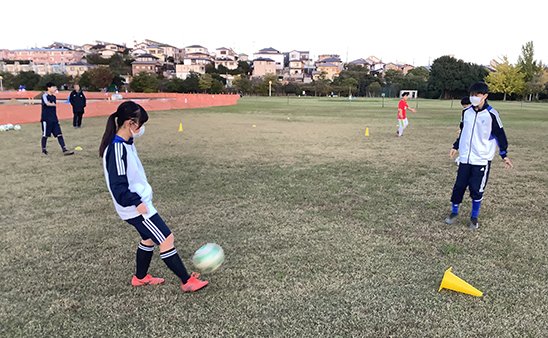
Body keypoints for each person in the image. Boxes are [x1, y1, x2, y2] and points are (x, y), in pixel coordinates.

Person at [99, 101, 208, 292]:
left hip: (138, 203)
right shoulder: (116, 149)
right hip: (136, 207)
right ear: (130, 123)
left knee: (148, 239)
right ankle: (186, 281)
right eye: (141, 124)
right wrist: (136, 202)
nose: (142, 129)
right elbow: (117, 186)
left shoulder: (125, 144)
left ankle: (140, 277)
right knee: (166, 239)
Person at [445, 82, 513, 230]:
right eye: (471, 95)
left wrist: (504, 154)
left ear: (485, 96)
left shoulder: (492, 114)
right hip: (465, 158)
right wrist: (456, 146)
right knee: (459, 187)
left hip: (481, 159)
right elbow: (463, 130)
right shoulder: (466, 112)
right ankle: (454, 212)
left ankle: (474, 217)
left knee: (476, 189)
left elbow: (500, 135)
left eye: (477, 95)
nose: (473, 97)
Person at [41, 82, 74, 156]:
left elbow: (53, 104)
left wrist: (52, 104)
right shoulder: (44, 95)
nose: (55, 89)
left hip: (54, 119)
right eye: (53, 87)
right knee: (45, 135)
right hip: (46, 119)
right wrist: (51, 104)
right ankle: (44, 150)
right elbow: (47, 103)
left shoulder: (54, 97)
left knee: (59, 134)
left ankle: (64, 149)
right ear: (48, 88)